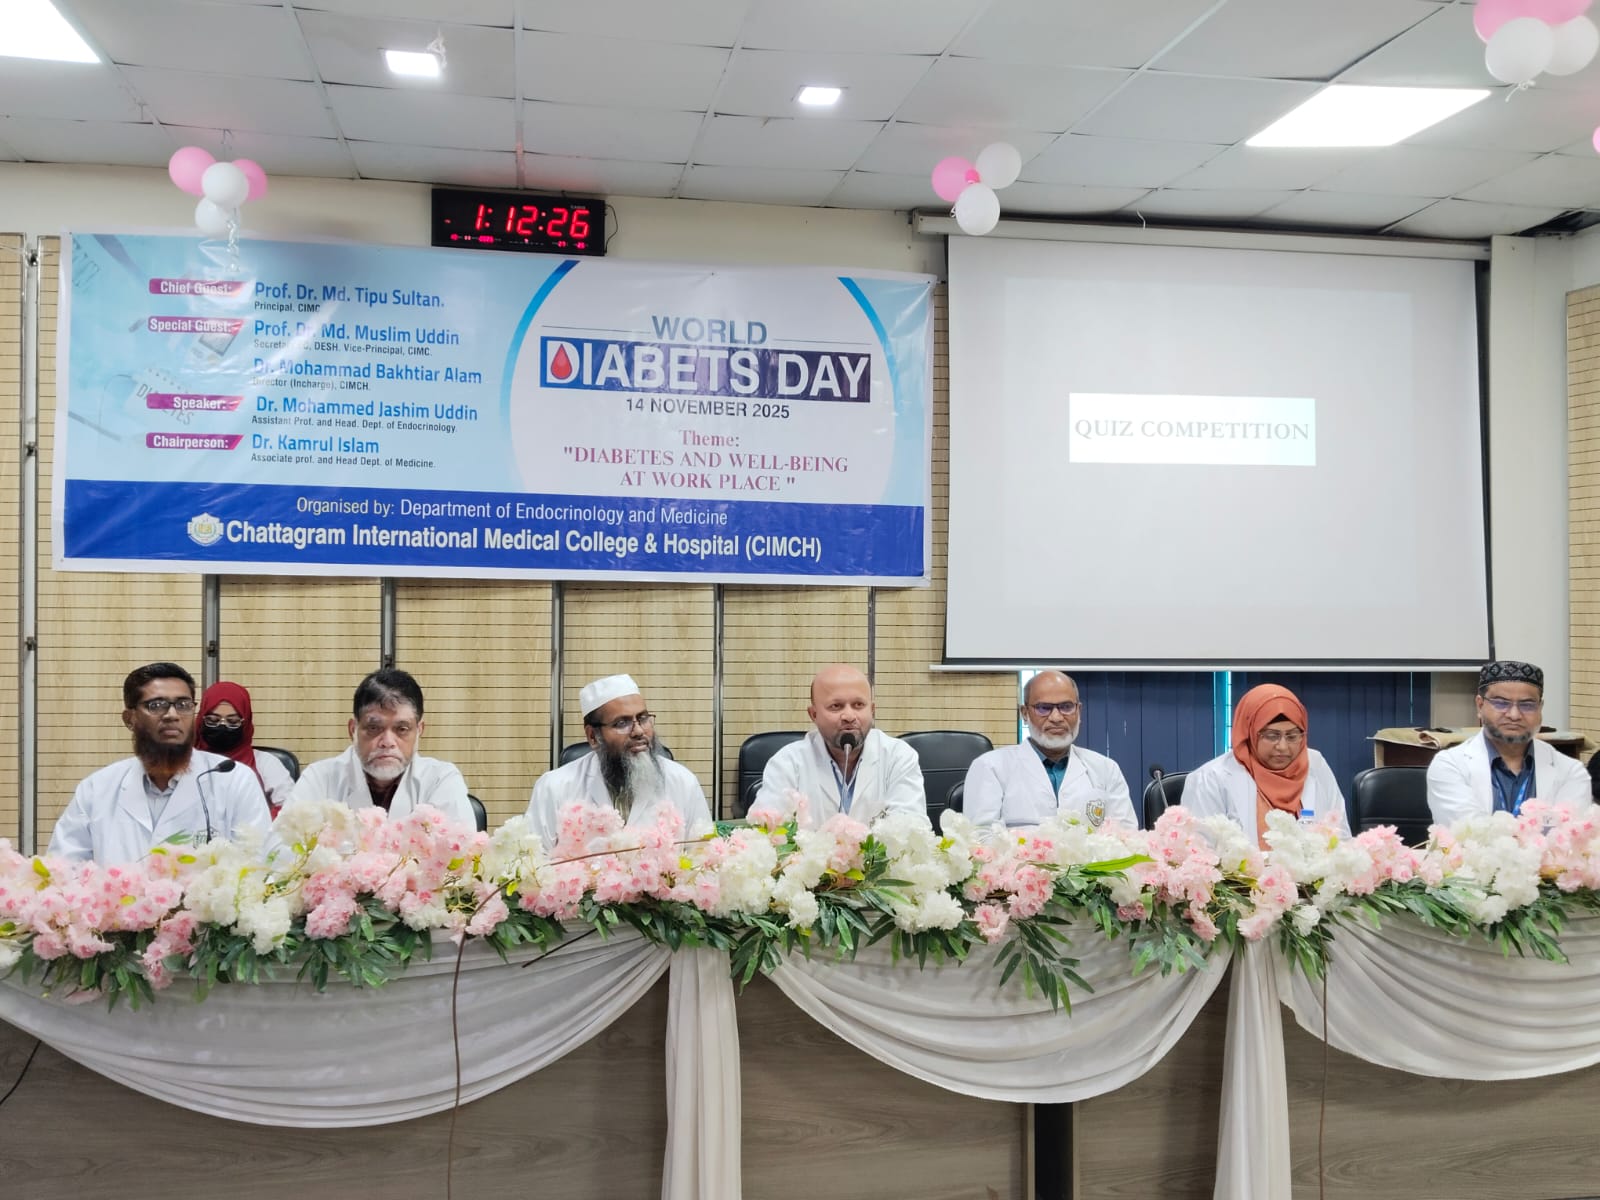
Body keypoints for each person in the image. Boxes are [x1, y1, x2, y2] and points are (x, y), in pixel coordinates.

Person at [48, 662, 272, 863]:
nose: (172, 715)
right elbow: (64, 870)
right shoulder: (97, 789)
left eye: (183, 704)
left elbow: (261, 864)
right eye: (156, 705)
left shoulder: (235, 781)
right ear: (130, 718)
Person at [526, 674, 714, 846]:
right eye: (622, 723)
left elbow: (703, 858)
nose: (638, 731)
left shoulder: (682, 781)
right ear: (593, 736)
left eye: (643, 718)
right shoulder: (554, 787)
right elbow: (534, 861)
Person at [291, 668, 473, 826]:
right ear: (353, 729)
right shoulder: (320, 778)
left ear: (419, 730)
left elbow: (461, 848)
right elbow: (282, 848)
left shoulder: (440, 779)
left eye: (402, 729)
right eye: (373, 728)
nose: (387, 741)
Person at [752, 664, 926, 828]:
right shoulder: (787, 762)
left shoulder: (898, 756)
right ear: (813, 714)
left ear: (872, 710)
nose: (849, 716)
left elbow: (912, 828)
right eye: (836, 706)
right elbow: (766, 829)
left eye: (858, 705)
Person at [963, 671, 1135, 831]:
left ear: (1079, 711)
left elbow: (1126, 836)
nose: (1056, 717)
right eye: (1043, 708)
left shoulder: (1106, 769)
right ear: (1025, 713)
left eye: (1066, 706)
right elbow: (980, 837)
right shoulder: (990, 767)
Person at [1426, 660, 1591, 826]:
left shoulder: (1571, 771)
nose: (1514, 715)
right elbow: (1467, 832)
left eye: (1527, 705)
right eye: (1501, 703)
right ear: (1480, 705)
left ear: (1540, 708)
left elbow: (1568, 834)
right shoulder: (1450, 765)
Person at [1183, 683, 1349, 843]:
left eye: (1292, 736)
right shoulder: (1210, 779)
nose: (1283, 747)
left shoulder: (1315, 764)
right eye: (1271, 736)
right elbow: (1200, 851)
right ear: (1250, 733)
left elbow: (1340, 838)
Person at [195, 681, 295, 817]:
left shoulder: (265, 763)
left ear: (246, 723)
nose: (222, 727)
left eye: (233, 722)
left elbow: (291, 810)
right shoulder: (186, 762)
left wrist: (259, 824)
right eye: (213, 720)